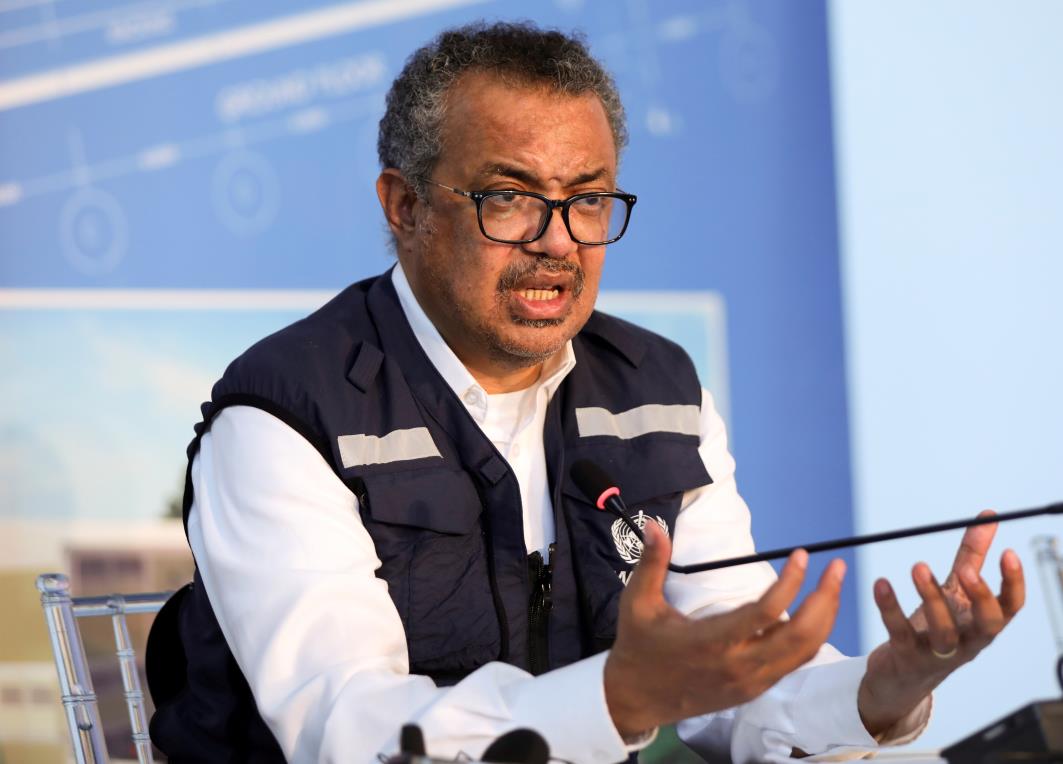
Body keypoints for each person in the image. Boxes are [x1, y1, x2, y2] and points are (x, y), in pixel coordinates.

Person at [147, 21, 1025, 764]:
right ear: (404, 205)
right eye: (509, 198)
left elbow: (734, 673)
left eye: (588, 200)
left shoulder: (658, 392)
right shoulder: (285, 416)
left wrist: (881, 691)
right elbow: (349, 727)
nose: (557, 242)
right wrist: (613, 698)